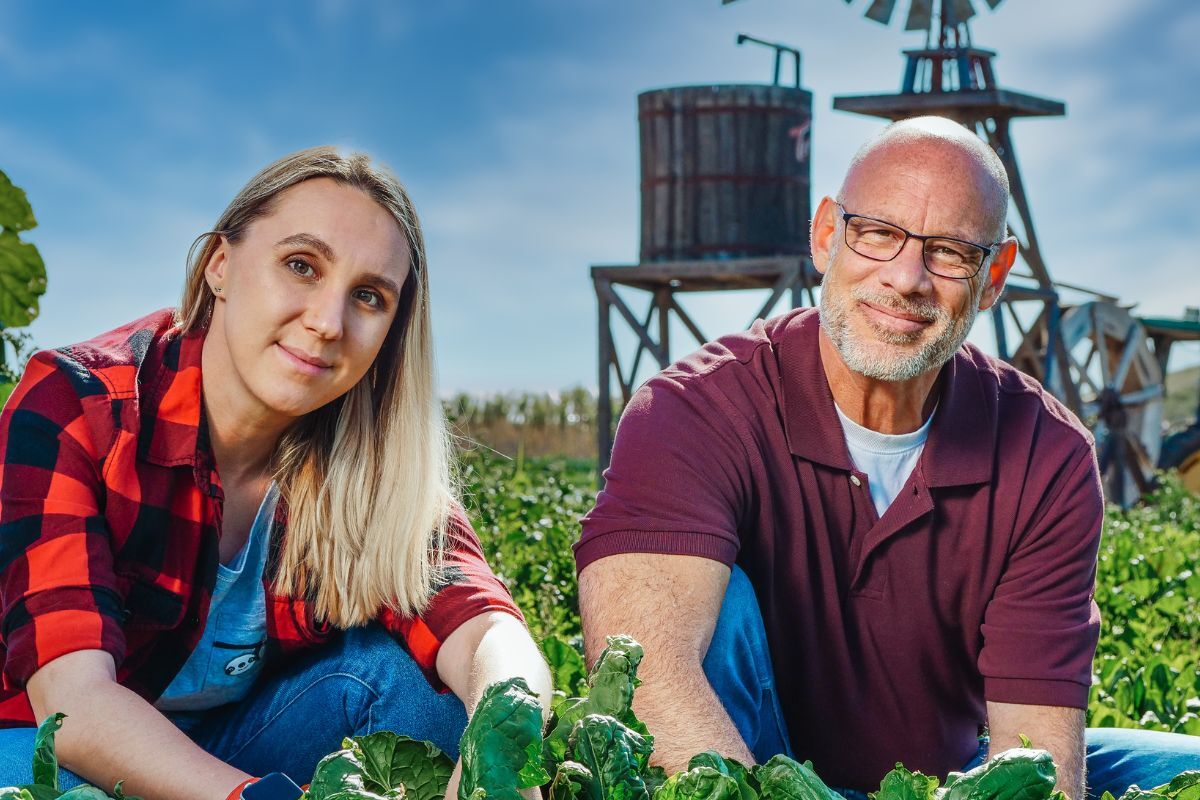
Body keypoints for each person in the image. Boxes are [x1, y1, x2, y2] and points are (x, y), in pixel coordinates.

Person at [575, 117, 1200, 800]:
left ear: (993, 276)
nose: (906, 279)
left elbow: (1036, 749)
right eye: (878, 233)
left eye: (950, 252)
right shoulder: (693, 410)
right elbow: (647, 676)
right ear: (825, 235)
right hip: (748, 768)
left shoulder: (1046, 454)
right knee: (714, 609)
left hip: (946, 779)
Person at [0, 147, 552, 799]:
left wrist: (505, 731)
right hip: (46, 738)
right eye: (301, 265)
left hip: (233, 740)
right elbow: (74, 706)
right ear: (221, 265)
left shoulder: (368, 458)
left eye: (369, 297)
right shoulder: (81, 405)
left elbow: (486, 627)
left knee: (433, 698)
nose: (326, 323)